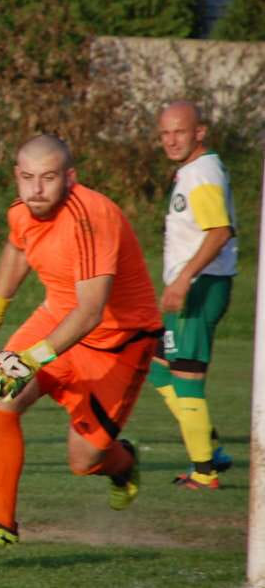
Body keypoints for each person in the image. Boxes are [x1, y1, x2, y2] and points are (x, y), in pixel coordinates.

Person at [0, 135, 163, 546]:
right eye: (28, 178)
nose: (37, 189)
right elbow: (18, 249)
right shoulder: (21, 211)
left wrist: (31, 359)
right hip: (55, 320)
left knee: (84, 461)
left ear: (70, 177)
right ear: (17, 176)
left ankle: (123, 463)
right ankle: (1, 525)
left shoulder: (91, 218)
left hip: (117, 342)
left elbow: (90, 311)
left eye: (48, 178)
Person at [147, 100, 237, 490]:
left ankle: (204, 471)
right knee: (153, 360)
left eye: (179, 131)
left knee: (185, 374)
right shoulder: (192, 171)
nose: (171, 140)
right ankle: (210, 448)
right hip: (192, 284)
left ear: (199, 132)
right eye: (165, 133)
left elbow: (220, 231)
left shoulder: (201, 173)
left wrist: (183, 280)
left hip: (201, 286)